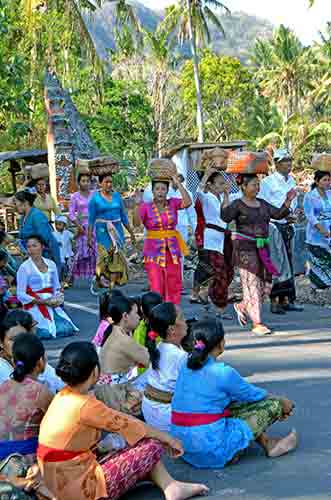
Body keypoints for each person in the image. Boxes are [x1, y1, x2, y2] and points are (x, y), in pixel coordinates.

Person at [37, 341, 208, 500]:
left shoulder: (62, 395)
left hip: (54, 482)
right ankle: (170, 486)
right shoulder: (85, 405)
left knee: (130, 441)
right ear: (95, 371)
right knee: (151, 444)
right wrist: (168, 438)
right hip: (79, 489)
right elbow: (132, 425)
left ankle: (170, 486)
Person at [171, 317, 297, 468]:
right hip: (212, 453)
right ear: (220, 343)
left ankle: (268, 443)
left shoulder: (186, 365)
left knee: (232, 405)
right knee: (272, 405)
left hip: (185, 449)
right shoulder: (223, 372)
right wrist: (282, 403)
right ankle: (244, 448)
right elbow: (254, 395)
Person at [221, 174, 296, 335]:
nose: (257, 188)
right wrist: (226, 195)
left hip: (263, 248)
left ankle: (242, 306)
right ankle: (257, 323)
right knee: (252, 284)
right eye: (253, 185)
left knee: (266, 285)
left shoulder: (262, 204)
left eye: (258, 185)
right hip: (245, 250)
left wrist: (288, 200)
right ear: (243, 187)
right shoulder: (238, 204)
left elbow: (277, 214)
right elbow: (225, 216)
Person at [136, 175, 192, 305]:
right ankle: (157, 317)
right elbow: (136, 223)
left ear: (167, 191)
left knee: (174, 283)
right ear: (153, 191)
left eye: (163, 189)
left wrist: (178, 184)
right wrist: (137, 204)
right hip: (153, 253)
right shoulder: (146, 207)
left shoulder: (173, 203)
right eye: (157, 189)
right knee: (156, 285)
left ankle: (172, 316)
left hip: (172, 251)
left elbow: (188, 202)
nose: (160, 192)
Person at [259, 150, 303, 314]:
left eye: (290, 161)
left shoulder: (291, 180)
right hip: (274, 226)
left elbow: (294, 203)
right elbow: (263, 205)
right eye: (285, 161)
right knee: (277, 264)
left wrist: (296, 213)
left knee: (289, 264)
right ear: (276, 164)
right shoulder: (267, 183)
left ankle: (287, 299)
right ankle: (275, 300)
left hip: (288, 226)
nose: (289, 164)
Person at [0, 332, 53, 464]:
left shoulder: (4, 386)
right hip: (25, 456)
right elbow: (59, 425)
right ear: (41, 361)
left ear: (13, 361)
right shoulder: (41, 392)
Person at [191, 168, 235, 316]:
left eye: (224, 183)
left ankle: (206, 292)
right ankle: (220, 308)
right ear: (210, 185)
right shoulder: (206, 196)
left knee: (228, 272)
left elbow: (226, 214)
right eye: (220, 183)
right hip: (210, 238)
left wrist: (227, 194)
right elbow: (198, 192)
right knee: (220, 272)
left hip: (223, 237)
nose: (223, 186)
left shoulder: (221, 198)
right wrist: (207, 174)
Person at [16, 235, 78, 339]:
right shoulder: (24, 267)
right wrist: (42, 302)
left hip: (51, 303)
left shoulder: (51, 264)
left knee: (65, 329)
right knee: (44, 332)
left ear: (42, 247)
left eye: (34, 246)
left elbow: (56, 287)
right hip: (35, 304)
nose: (31, 249)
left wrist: (58, 298)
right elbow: (20, 294)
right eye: (29, 247)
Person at [142, 303, 188, 433]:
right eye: (182, 317)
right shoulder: (180, 356)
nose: (185, 321)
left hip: (150, 410)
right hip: (165, 417)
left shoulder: (160, 346)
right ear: (172, 329)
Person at [144, 174, 197, 281]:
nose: (178, 179)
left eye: (180, 178)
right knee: (157, 255)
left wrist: (196, 231)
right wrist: (147, 232)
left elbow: (192, 214)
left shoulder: (186, 193)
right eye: (176, 178)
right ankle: (156, 281)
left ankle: (178, 281)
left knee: (178, 257)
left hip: (180, 230)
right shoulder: (158, 190)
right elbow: (148, 209)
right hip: (159, 230)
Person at [88, 173, 135, 290]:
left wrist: (131, 233)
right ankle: (100, 277)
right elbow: (91, 220)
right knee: (104, 256)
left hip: (117, 229)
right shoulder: (95, 199)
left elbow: (123, 216)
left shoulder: (117, 196)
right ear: (100, 183)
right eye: (106, 182)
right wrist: (89, 237)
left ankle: (112, 285)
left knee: (116, 256)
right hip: (102, 230)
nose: (109, 184)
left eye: (110, 182)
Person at [0, 309, 64, 393]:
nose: (18, 344)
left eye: (23, 338)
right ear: (1, 342)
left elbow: (62, 384)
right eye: (13, 339)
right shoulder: (2, 368)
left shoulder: (35, 360)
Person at [15, 190, 61, 273]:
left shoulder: (37, 215)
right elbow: (22, 236)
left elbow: (44, 238)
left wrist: (31, 251)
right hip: (32, 255)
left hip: (45, 255)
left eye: (16, 203)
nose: (15, 206)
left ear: (25, 203)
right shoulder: (23, 217)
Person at [304, 170, 331, 289]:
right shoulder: (310, 196)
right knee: (318, 261)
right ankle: (317, 286)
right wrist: (322, 230)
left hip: (329, 230)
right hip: (316, 234)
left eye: (329, 180)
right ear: (317, 181)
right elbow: (310, 216)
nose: (328, 182)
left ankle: (328, 284)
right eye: (324, 180)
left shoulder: (330, 194)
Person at [69, 173, 96, 280]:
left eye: (87, 181)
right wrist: (78, 225)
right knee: (81, 252)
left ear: (90, 183)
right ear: (79, 183)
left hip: (94, 226)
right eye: (83, 181)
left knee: (95, 251)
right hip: (82, 227)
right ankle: (71, 276)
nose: (85, 183)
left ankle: (96, 275)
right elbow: (71, 214)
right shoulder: (74, 196)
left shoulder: (95, 195)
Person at [53, 215, 74, 286]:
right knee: (60, 268)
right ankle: (60, 281)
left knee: (69, 268)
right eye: (56, 224)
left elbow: (74, 237)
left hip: (68, 254)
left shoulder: (67, 233)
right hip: (59, 255)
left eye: (59, 224)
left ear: (64, 225)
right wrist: (55, 243)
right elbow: (50, 242)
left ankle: (69, 281)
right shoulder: (53, 234)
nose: (57, 226)